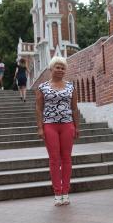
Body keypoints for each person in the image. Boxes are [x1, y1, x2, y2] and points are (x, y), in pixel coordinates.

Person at [35, 56, 79, 206]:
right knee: (54, 159)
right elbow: (39, 108)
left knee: (66, 158)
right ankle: (57, 193)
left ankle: (65, 192)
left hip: (67, 125)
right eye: (57, 67)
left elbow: (74, 108)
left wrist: (77, 126)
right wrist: (40, 127)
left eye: (63, 68)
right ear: (51, 69)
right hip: (50, 125)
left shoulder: (71, 87)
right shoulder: (42, 87)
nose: (60, 70)